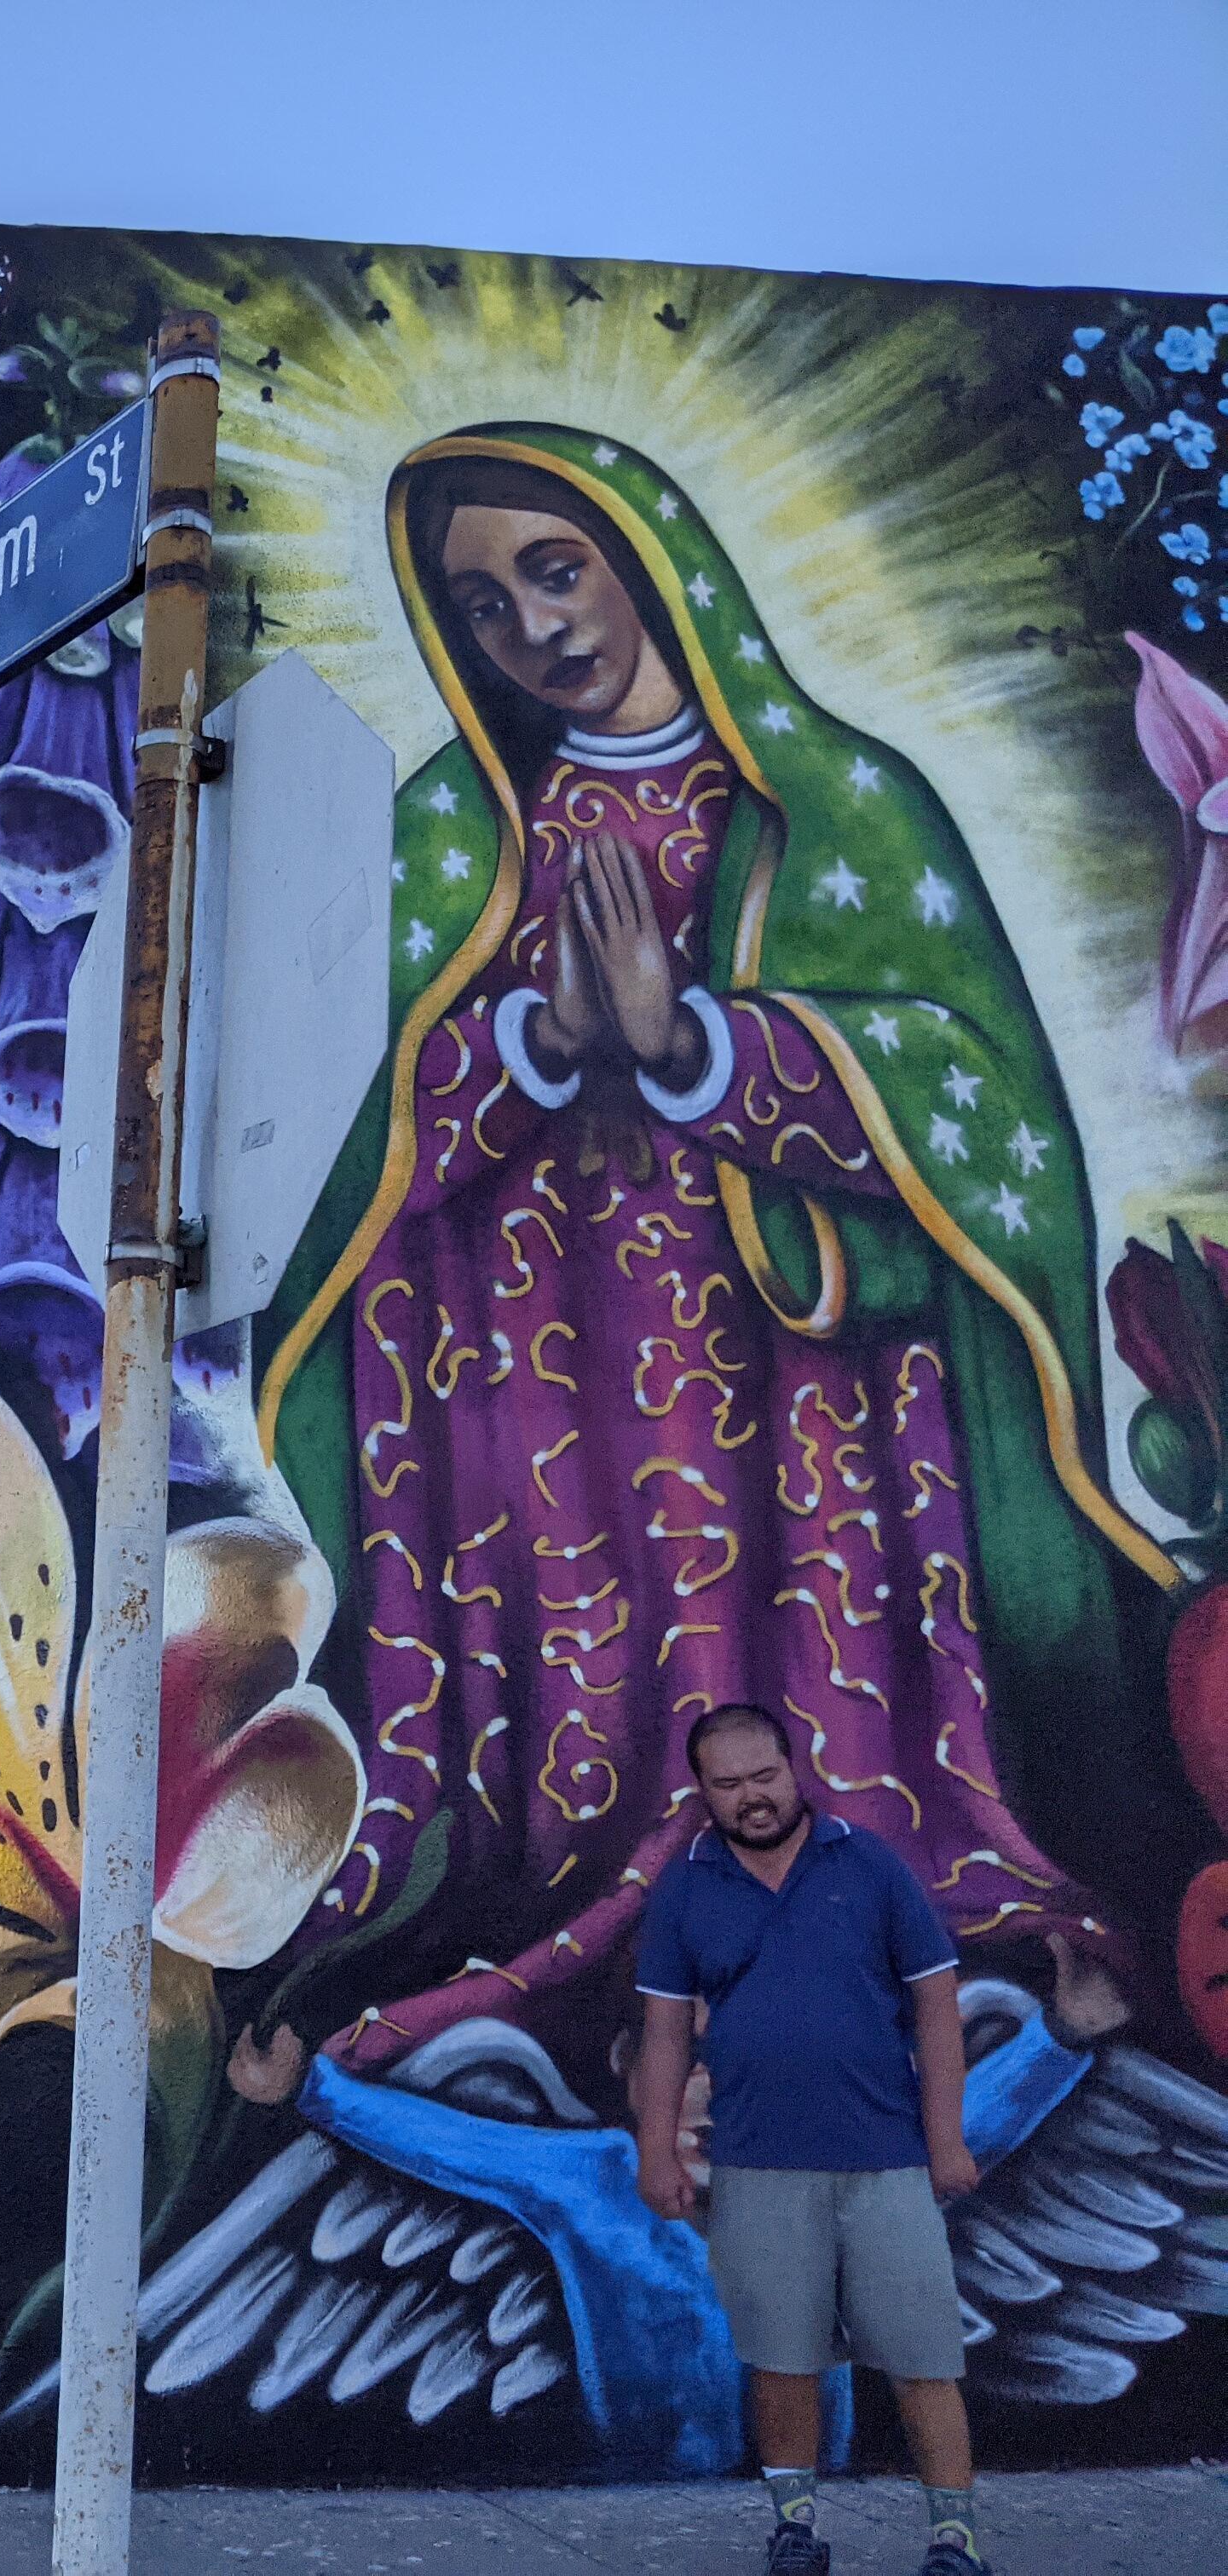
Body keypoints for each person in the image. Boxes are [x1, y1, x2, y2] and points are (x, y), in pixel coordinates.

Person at [251, 424, 1162, 2093]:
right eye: (481, 603)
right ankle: (594, 1952)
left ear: (649, 560)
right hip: (546, 1377)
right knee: (598, 1694)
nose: (533, 630)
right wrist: (532, 1038)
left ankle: (928, 1928)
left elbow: (966, 1086)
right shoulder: (459, 832)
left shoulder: (834, 805)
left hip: (796, 1365)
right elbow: (350, 1132)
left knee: (799, 1652)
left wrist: (701, 1054)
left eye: (555, 569)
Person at [632, 1701, 983, 2576]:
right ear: (702, 1793)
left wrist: (946, 2139)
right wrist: (655, 2149)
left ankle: (955, 2542)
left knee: (921, 2357)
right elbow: (666, 2033)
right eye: (729, 1784)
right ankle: (795, 2531)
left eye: (764, 1776)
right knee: (781, 2359)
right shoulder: (684, 1888)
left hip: (888, 2159)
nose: (752, 1797)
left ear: (795, 1769)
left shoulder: (870, 1866)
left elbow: (938, 2004)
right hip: (755, 2164)